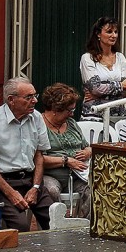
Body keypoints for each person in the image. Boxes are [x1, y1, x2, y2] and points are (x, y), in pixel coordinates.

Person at [0, 77, 53, 232]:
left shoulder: (36, 117)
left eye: (35, 95)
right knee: (20, 227)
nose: (35, 101)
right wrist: (11, 194)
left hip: (31, 180)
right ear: (11, 100)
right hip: (4, 184)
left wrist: (36, 187)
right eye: (28, 97)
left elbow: (39, 155)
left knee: (55, 220)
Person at [40, 83, 92, 213]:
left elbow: (87, 147)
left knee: (95, 189)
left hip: (78, 176)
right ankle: (54, 227)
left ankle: (84, 226)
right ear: (55, 109)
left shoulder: (71, 124)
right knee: (50, 190)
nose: (72, 114)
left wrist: (87, 152)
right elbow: (37, 159)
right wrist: (66, 161)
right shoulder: (38, 125)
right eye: (69, 110)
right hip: (50, 175)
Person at [80, 16, 126, 119]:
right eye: (109, 32)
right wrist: (120, 86)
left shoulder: (120, 57)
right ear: (98, 34)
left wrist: (102, 92)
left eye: (116, 32)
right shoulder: (87, 58)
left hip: (118, 114)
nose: (114, 35)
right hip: (95, 114)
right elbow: (95, 88)